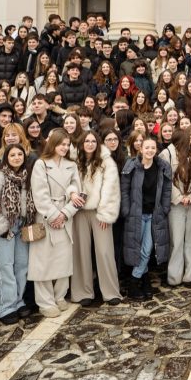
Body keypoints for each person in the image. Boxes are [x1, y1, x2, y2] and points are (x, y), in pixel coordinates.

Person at [30, 129, 83, 318]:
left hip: (66, 217)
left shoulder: (71, 165)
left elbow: (78, 192)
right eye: (62, 144)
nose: (65, 147)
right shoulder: (41, 164)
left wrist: (65, 214)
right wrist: (54, 215)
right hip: (46, 217)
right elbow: (39, 194)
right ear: (53, 143)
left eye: (68, 145)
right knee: (43, 261)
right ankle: (45, 302)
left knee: (63, 259)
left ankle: (59, 296)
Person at [0, 144, 36, 324]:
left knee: (22, 265)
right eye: (12, 155)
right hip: (5, 227)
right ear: (6, 158)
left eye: (20, 154)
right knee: (5, 266)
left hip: (22, 226)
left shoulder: (27, 177)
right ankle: (5, 307)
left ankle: (18, 301)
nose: (16, 157)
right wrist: (1, 229)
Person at [70, 131, 122, 305]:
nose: (90, 144)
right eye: (87, 141)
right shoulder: (74, 161)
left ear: (98, 143)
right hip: (78, 211)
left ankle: (111, 292)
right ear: (81, 143)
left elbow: (111, 188)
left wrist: (105, 214)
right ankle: (82, 292)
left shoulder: (107, 162)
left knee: (104, 251)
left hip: (99, 212)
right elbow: (69, 183)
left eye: (93, 141)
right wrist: (72, 193)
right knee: (80, 252)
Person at [121, 135, 173, 299]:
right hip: (136, 214)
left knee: (147, 249)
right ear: (141, 149)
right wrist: (127, 210)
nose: (150, 150)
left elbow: (167, 189)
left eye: (153, 148)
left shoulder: (162, 166)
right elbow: (124, 190)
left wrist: (164, 208)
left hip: (153, 215)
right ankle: (144, 281)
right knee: (138, 249)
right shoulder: (132, 166)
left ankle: (134, 281)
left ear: (156, 150)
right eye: (147, 147)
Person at [160, 129, 191, 286]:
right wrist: (179, 197)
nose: (190, 141)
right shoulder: (166, 155)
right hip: (175, 204)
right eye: (188, 139)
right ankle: (174, 277)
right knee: (176, 240)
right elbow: (165, 180)